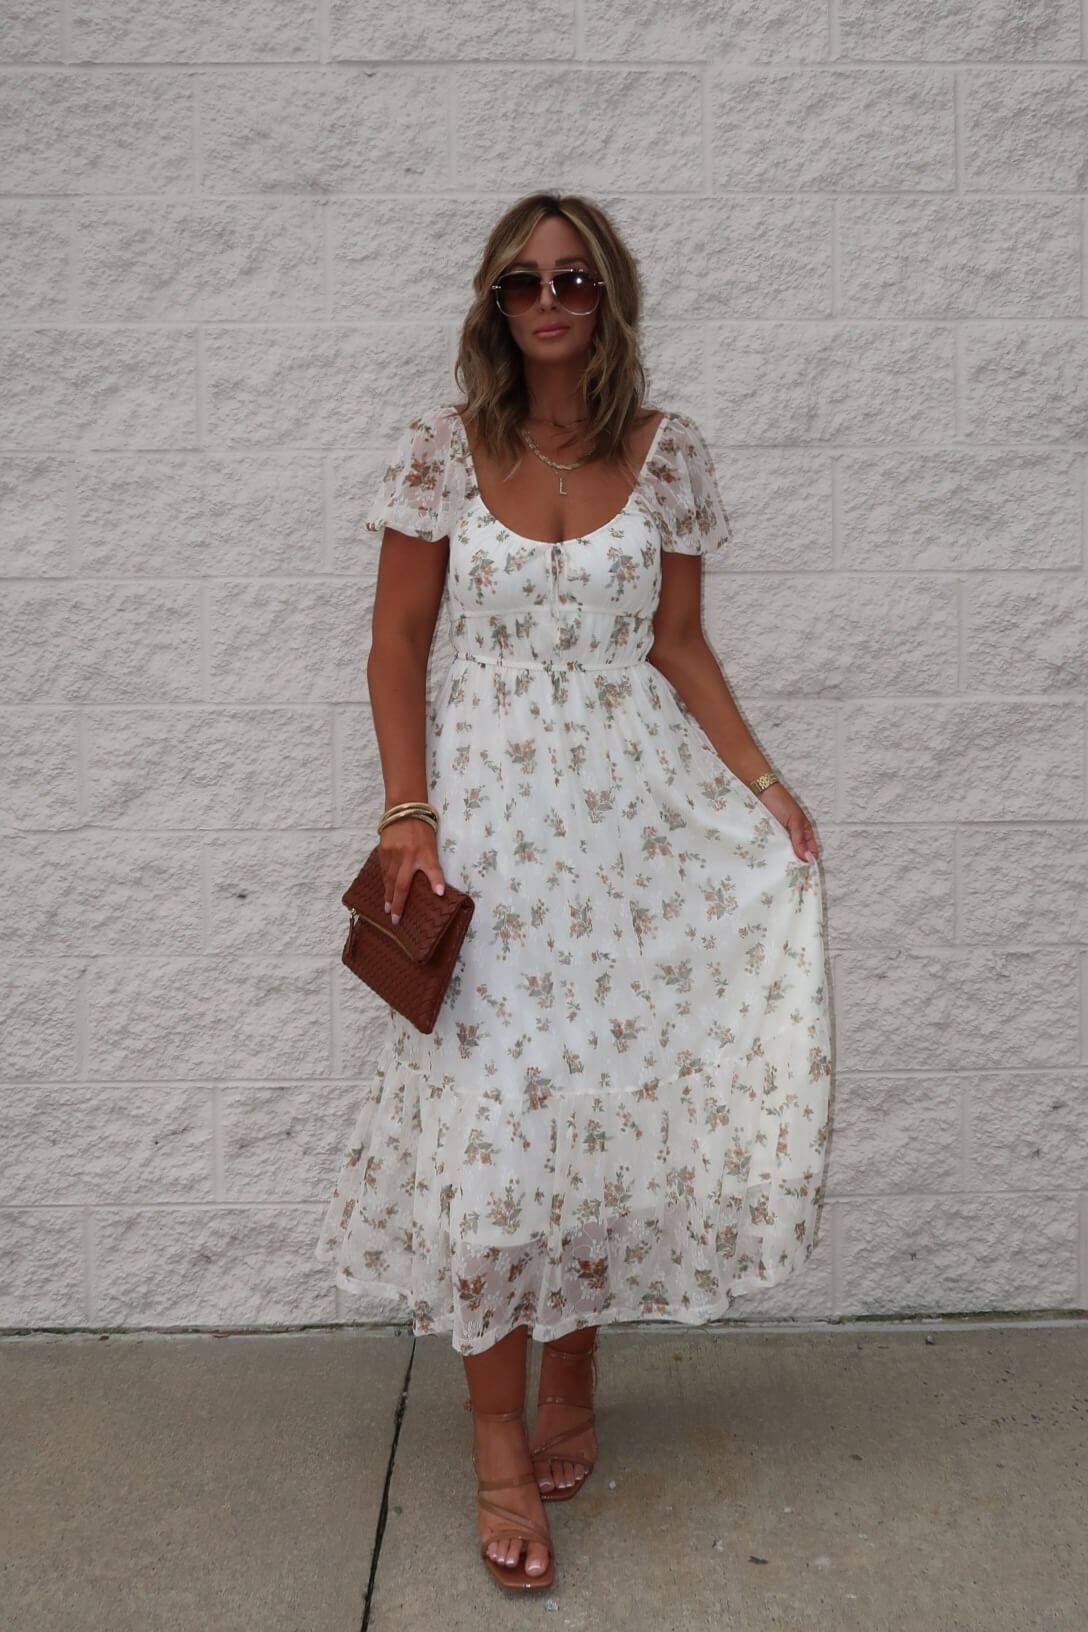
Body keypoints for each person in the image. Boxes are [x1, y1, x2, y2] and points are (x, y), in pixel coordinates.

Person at [315, 191, 832, 1592]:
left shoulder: (668, 456)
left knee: (599, 1096)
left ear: (610, 298)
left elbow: (679, 644)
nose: (550, 301)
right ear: (496, 305)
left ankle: (572, 1381)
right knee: (493, 1121)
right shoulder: (442, 451)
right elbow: (397, 642)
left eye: (576, 279)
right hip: (481, 827)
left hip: (629, 832)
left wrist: (764, 786)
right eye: (524, 283)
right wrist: (407, 810)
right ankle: (496, 1446)